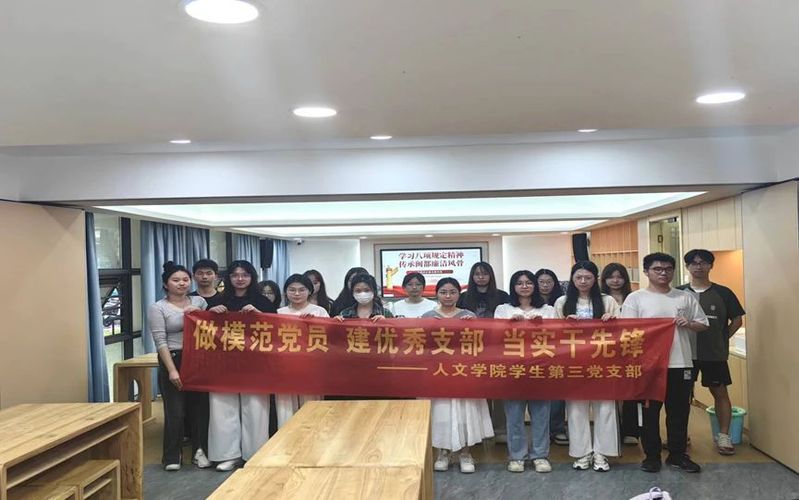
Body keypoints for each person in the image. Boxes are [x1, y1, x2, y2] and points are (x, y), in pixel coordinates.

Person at [622, 252, 709, 473]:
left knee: (679, 412)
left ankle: (677, 455)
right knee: (649, 413)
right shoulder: (635, 298)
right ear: (646, 272)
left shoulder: (685, 297)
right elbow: (627, 332)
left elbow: (703, 324)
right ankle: (651, 456)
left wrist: (688, 323)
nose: (663, 273)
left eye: (668, 269)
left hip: (681, 363)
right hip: (649, 366)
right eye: (657, 269)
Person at [207, 260, 277, 471]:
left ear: (252, 277)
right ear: (228, 278)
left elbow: (276, 330)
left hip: (255, 363)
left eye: (245, 275)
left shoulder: (263, 302)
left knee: (255, 409)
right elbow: (204, 330)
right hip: (223, 363)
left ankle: (254, 454)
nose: (240, 279)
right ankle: (228, 455)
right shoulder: (218, 300)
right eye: (235, 275)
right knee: (222, 408)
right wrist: (211, 313)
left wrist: (259, 314)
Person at [554, 261, 621, 472]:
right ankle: (582, 453)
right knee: (576, 410)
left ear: (595, 279)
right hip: (574, 365)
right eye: (578, 278)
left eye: (588, 278)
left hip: (603, 364)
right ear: (572, 279)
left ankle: (602, 453)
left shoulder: (608, 301)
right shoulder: (562, 302)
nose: (583, 281)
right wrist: (565, 324)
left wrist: (613, 321)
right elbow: (552, 336)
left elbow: (623, 333)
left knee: (606, 408)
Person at [422, 278, 494, 473]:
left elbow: (480, 345)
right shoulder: (427, 316)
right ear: (436, 294)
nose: (448, 296)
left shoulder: (468, 315)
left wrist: (473, 326)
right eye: (443, 292)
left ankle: (465, 453)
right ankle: (443, 453)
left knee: (465, 414)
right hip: (438, 373)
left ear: (458, 294)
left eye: (452, 292)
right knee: (441, 414)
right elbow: (420, 347)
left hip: (464, 372)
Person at [677, 249, 745, 456]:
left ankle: (723, 435)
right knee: (680, 397)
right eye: (694, 263)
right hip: (684, 354)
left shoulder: (723, 293)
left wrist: (723, 338)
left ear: (711, 266)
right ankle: (680, 436)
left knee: (720, 393)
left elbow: (737, 319)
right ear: (687, 266)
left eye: (704, 262)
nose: (699, 267)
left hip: (714, 354)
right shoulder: (677, 293)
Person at [148, 261, 210, 471]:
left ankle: (200, 452)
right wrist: (172, 370)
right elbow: (160, 341)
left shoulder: (199, 301)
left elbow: (210, 328)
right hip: (173, 358)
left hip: (199, 359)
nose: (182, 283)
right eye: (176, 280)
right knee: (175, 411)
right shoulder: (158, 308)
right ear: (166, 284)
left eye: (185, 279)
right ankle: (172, 456)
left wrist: (198, 312)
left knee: (200, 409)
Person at [494, 270, 553, 473]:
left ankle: (540, 455)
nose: (525, 286)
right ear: (513, 287)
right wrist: (509, 325)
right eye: (520, 283)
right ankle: (517, 456)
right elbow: (495, 337)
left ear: (535, 286)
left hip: (540, 369)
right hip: (513, 370)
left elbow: (558, 337)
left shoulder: (548, 310)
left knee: (541, 416)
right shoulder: (503, 309)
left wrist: (542, 325)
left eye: (529, 282)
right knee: (514, 416)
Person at [457, 261, 509, 442]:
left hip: (498, 349)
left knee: (499, 390)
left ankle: (500, 429)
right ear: (472, 277)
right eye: (477, 274)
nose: (481, 277)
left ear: (490, 276)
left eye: (485, 273)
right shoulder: (463, 297)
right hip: (472, 350)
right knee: (478, 390)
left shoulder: (502, 296)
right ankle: (479, 430)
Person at [275, 274, 329, 428]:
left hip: (311, 368)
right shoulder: (278, 312)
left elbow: (330, 338)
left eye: (301, 290)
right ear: (285, 292)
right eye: (292, 290)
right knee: (285, 410)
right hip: (285, 368)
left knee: (312, 409)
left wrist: (315, 323)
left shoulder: (319, 311)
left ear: (309, 291)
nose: (297, 294)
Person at [600, 263, 639, 446]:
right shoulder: (599, 299)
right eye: (611, 277)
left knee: (630, 391)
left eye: (619, 276)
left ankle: (630, 430)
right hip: (606, 351)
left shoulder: (634, 297)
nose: (615, 281)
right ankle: (613, 431)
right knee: (610, 393)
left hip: (630, 350)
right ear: (604, 279)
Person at [533, 268, 568, 446]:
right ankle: (541, 431)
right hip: (534, 353)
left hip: (558, 353)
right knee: (538, 394)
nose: (545, 285)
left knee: (557, 394)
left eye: (549, 282)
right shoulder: (529, 303)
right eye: (541, 282)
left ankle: (557, 428)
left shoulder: (562, 302)